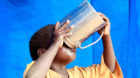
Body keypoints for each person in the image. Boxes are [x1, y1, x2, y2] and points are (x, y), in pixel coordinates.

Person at [23, 13, 123, 78]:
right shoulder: (37, 70)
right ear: (42, 53)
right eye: (63, 41)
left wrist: (106, 37)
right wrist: (56, 43)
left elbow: (109, 71)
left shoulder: (79, 74)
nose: (70, 43)